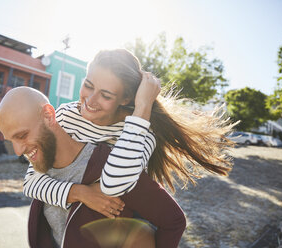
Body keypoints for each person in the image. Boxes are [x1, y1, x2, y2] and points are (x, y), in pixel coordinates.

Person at [22, 49, 235, 218]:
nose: (90, 100)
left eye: (105, 95)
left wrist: (143, 108)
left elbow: (113, 186)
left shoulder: (141, 132)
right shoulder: (65, 116)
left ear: (126, 99)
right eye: (88, 85)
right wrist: (81, 194)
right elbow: (31, 182)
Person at [0, 87, 186, 248]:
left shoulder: (113, 167)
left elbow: (173, 221)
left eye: (22, 136)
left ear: (48, 115)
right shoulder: (40, 173)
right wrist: (80, 193)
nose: (18, 151)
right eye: (11, 140)